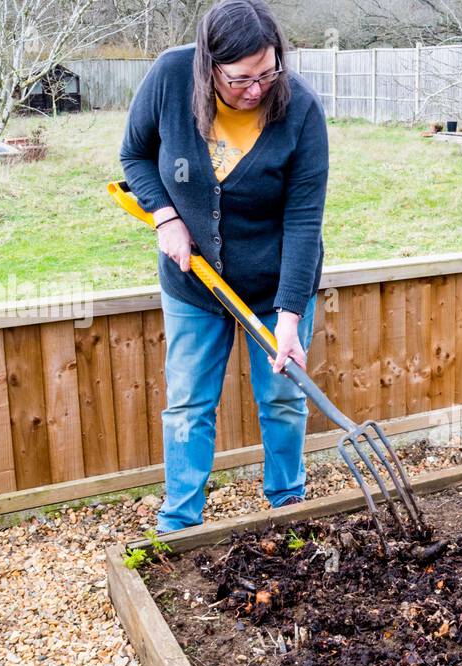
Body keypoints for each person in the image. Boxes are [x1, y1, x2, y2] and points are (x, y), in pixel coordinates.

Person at [119, 0, 328, 533]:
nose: (256, 90)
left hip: (274, 286)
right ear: (208, 65)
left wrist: (289, 318)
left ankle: (289, 505)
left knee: (283, 398)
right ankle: (179, 523)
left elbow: (304, 221)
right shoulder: (170, 77)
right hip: (194, 284)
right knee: (189, 403)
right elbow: (135, 156)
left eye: (267, 73)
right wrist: (165, 216)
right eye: (240, 79)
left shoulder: (301, 109)